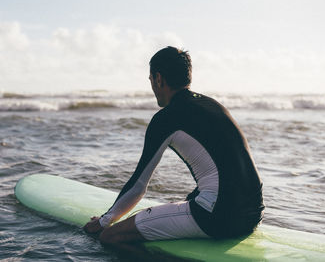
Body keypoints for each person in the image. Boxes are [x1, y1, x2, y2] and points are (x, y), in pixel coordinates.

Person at [84, 46, 264, 247]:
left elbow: (138, 187)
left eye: (151, 80)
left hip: (219, 218)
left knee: (110, 237)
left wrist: (104, 221)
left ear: (158, 79)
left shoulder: (165, 119)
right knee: (192, 198)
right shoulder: (214, 105)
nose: (152, 87)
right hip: (253, 215)